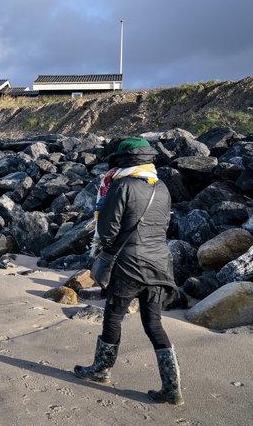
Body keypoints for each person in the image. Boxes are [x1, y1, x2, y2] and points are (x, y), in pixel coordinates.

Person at [73, 137, 184, 406]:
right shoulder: (162, 187)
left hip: (128, 265)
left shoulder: (122, 185)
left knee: (113, 317)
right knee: (154, 324)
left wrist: (105, 250)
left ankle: (101, 370)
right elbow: (163, 226)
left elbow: (107, 230)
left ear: (123, 162)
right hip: (159, 263)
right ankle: (172, 389)